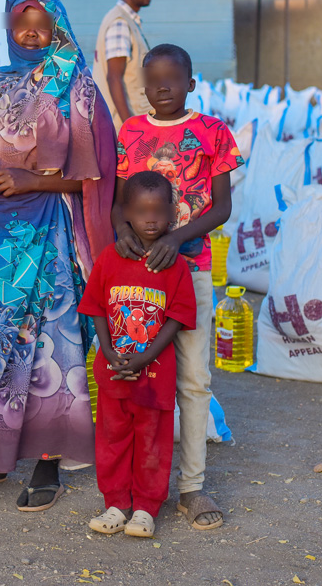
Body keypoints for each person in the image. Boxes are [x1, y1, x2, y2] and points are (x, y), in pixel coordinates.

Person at [0, 0, 116, 512]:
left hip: (45, 236)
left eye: (43, 25)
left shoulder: (78, 90)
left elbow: (100, 174)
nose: (32, 34)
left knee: (46, 345)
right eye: (23, 24)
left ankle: (48, 460)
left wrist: (34, 182)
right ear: (8, 28)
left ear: (59, 29)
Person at [111, 43, 243, 531]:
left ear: (191, 82)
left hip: (191, 269)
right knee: (138, 378)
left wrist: (177, 238)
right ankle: (135, 488)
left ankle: (192, 487)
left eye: (173, 78)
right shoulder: (131, 132)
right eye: (153, 79)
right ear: (142, 87)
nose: (162, 87)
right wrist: (124, 233)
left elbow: (221, 208)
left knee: (192, 378)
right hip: (138, 276)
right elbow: (117, 201)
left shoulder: (212, 132)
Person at [78, 170, 197, 538]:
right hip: (113, 370)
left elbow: (177, 318)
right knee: (112, 438)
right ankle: (116, 503)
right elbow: (96, 306)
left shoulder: (174, 265)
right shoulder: (110, 258)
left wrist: (146, 358)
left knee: (152, 442)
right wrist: (109, 350)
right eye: (142, 211)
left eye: (159, 211)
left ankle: (146, 507)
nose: (151, 219)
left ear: (172, 214)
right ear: (125, 213)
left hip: (155, 376)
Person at [92, 0, 163, 129]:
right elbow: (114, 77)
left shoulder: (128, 20)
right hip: (123, 125)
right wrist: (130, 126)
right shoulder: (120, 23)